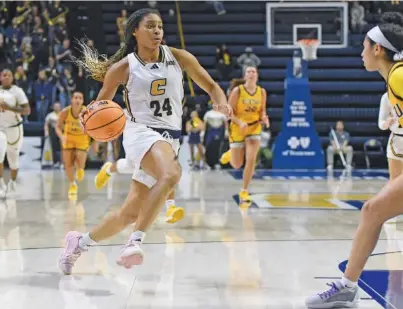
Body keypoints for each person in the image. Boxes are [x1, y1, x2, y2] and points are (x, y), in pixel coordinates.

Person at [59, 8, 231, 274]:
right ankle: (134, 243)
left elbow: (211, 86)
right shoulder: (123, 67)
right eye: (150, 26)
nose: (157, 31)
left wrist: (221, 103)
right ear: (135, 32)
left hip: (171, 138)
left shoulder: (179, 57)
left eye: (160, 26)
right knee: (172, 173)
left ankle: (78, 242)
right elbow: (100, 105)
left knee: (127, 214)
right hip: (140, 132)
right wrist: (86, 115)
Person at [306, 12, 403, 308]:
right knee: (374, 212)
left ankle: (347, 287)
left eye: (364, 46)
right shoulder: (395, 76)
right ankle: (347, 287)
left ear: (378, 49)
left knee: (372, 211)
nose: (361, 53)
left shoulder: (399, 74)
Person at [220, 66, 269, 203]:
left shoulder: (262, 92)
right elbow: (228, 112)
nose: (251, 73)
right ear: (245, 76)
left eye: (254, 72)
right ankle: (231, 153)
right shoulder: (238, 91)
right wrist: (239, 122)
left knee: (251, 159)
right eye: (249, 72)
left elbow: (262, 111)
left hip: (254, 127)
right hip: (238, 128)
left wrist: (264, 118)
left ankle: (244, 191)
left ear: (257, 76)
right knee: (236, 164)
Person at [0, 69, 30, 197]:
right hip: (0, 128)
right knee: (0, 156)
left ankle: (12, 182)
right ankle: (1, 184)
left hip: (14, 128)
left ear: (12, 78)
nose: (6, 77)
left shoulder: (17, 91)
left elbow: (27, 110)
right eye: (4, 75)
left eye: (9, 75)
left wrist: (9, 107)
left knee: (13, 160)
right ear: (1, 77)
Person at [55, 91, 90, 197]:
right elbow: (57, 127)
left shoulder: (86, 112)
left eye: (80, 98)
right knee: (68, 164)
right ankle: (72, 185)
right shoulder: (65, 111)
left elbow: (93, 126)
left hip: (82, 139)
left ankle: (80, 168)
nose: (77, 100)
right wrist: (62, 137)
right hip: (68, 138)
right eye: (75, 97)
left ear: (83, 101)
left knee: (79, 158)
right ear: (71, 100)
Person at [378, 92, 403, 223]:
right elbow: (380, 124)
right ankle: (392, 211)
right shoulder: (387, 97)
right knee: (394, 180)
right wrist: (386, 123)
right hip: (396, 140)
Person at [44, 102, 62, 167]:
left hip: (62, 131)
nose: (57, 107)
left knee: (63, 148)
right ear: (53, 107)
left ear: (60, 107)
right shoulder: (50, 115)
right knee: (54, 147)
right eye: (55, 106)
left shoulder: (63, 114)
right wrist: (46, 131)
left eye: (58, 106)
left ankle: (63, 162)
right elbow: (46, 124)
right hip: (53, 131)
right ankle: (56, 162)